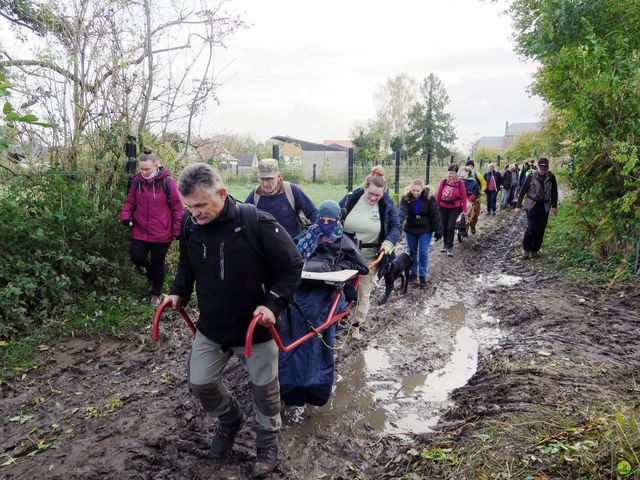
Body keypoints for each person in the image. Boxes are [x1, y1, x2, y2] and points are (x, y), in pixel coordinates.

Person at [166, 163, 303, 477]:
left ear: (222, 194)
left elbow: (292, 266)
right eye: (189, 206)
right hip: (213, 326)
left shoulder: (256, 222)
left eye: (201, 205)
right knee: (200, 381)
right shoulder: (190, 225)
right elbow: (187, 267)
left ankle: (267, 445)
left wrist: (273, 304)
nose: (195, 212)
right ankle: (230, 421)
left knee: (264, 391)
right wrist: (177, 293)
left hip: (256, 329)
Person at [339, 174, 401, 339]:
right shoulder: (350, 199)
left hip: (369, 258)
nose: (373, 198)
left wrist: (388, 242)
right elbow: (334, 216)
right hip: (344, 254)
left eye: (378, 195)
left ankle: (356, 326)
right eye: (370, 194)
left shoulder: (386, 205)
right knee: (340, 287)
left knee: (363, 292)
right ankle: (339, 317)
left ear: (383, 193)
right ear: (364, 188)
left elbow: (396, 226)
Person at [120, 147, 183, 306]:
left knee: (157, 263)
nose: (144, 172)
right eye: (142, 169)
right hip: (140, 229)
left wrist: (177, 230)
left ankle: (156, 293)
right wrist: (126, 217)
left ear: (156, 166)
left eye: (147, 169)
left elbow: (177, 207)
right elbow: (130, 202)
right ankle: (152, 279)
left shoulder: (167, 182)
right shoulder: (137, 182)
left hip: (161, 231)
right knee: (137, 256)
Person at [245, 158, 318, 238]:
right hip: (266, 245)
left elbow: (314, 213)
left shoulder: (291, 190)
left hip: (292, 243)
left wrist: (311, 235)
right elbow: (242, 216)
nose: (265, 184)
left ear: (279, 177)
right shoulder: (256, 194)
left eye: (269, 179)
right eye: (262, 179)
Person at [398, 179, 443, 287]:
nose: (415, 193)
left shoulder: (429, 198)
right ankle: (413, 273)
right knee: (412, 252)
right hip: (411, 227)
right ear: (410, 188)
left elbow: (435, 214)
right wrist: (398, 225)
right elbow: (402, 213)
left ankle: (422, 275)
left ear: (422, 189)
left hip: (425, 228)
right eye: (413, 190)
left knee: (423, 252)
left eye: (418, 191)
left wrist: (438, 229)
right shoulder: (406, 198)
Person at [515, 157, 558, 259]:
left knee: (540, 229)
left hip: (544, 206)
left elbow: (554, 193)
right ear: (538, 167)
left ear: (547, 167)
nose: (543, 169)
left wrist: (554, 206)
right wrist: (518, 205)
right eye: (541, 167)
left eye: (545, 167)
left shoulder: (551, 177)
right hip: (531, 205)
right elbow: (522, 191)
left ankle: (535, 250)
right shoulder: (530, 176)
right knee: (531, 228)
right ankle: (526, 250)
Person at [436, 164, 467, 257]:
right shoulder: (444, 181)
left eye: (452, 172)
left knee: (450, 227)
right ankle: (445, 244)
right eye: (449, 172)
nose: (450, 174)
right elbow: (438, 195)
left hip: (454, 207)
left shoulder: (460, 183)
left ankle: (450, 247)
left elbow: (464, 197)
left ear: (456, 172)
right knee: (444, 226)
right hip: (443, 206)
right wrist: (435, 208)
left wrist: (464, 211)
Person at [464, 160, 484, 234]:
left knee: (474, 215)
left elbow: (483, 184)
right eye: (468, 165)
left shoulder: (477, 175)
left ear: (473, 166)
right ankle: (464, 229)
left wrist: (482, 191)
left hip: (475, 198)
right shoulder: (462, 178)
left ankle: (472, 226)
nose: (469, 167)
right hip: (464, 199)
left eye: (471, 166)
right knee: (465, 214)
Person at [460, 167, 480, 236]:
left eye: (462, 171)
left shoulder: (474, 183)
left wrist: (469, 199)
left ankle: (469, 227)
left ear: (467, 172)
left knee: (469, 211)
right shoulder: (460, 181)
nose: (460, 173)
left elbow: (475, 193)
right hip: (460, 199)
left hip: (469, 200)